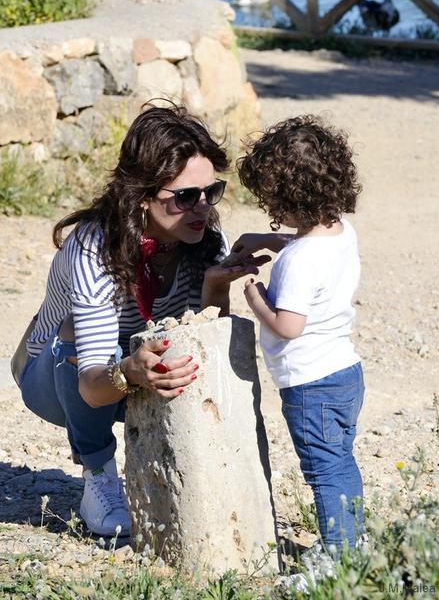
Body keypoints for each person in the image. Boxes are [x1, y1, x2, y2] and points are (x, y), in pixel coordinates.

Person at [12, 103, 267, 537]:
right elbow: (93, 385)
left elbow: (203, 346)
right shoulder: (93, 249)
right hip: (58, 379)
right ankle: (99, 475)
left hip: (137, 367)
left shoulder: (204, 238)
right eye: (185, 196)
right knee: (83, 337)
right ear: (143, 197)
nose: (202, 207)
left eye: (212, 192)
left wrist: (216, 287)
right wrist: (131, 369)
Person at [233, 114, 364, 552]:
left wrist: (255, 295)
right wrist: (269, 241)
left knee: (324, 472)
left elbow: (288, 325)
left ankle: (339, 559)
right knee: (340, 462)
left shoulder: (299, 261)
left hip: (310, 384)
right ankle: (352, 543)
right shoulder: (341, 234)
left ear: (286, 199)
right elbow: (309, 249)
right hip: (344, 372)